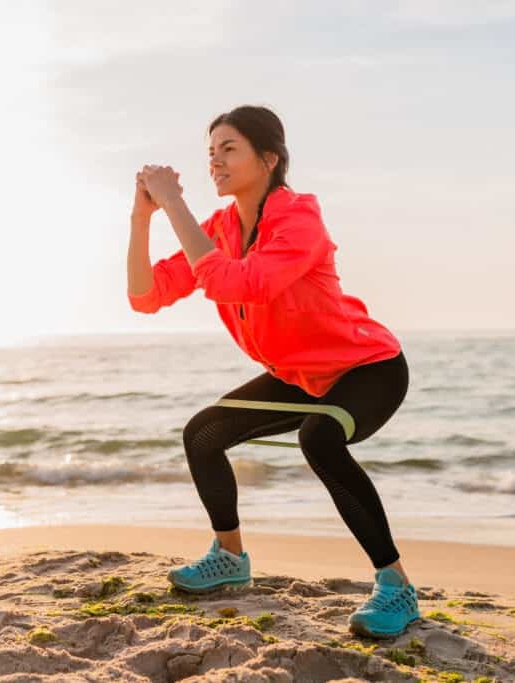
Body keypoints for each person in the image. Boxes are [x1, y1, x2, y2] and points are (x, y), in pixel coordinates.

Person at [125, 105, 417, 638]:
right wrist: (143, 216)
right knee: (203, 433)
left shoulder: (298, 218)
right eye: (210, 151)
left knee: (320, 439)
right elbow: (146, 296)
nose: (214, 161)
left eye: (228, 148)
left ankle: (395, 586)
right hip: (296, 373)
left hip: (366, 367)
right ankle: (229, 558)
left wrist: (173, 204)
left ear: (269, 158)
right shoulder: (218, 228)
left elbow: (240, 284)